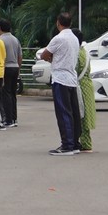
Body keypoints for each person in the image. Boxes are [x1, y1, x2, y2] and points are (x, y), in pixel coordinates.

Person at [40, 12, 84, 155]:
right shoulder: (74, 38)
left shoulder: (58, 38)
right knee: (73, 112)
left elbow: (44, 54)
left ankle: (67, 145)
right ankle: (75, 143)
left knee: (63, 112)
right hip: (72, 78)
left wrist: (51, 59)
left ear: (58, 22)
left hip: (60, 78)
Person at [0, 22, 25, 129]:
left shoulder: (0, 40)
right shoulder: (15, 39)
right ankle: (14, 118)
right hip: (15, 67)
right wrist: (18, 68)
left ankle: (8, 119)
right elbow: (20, 56)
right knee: (13, 93)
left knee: (6, 93)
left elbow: (1, 56)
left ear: (0, 28)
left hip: (6, 68)